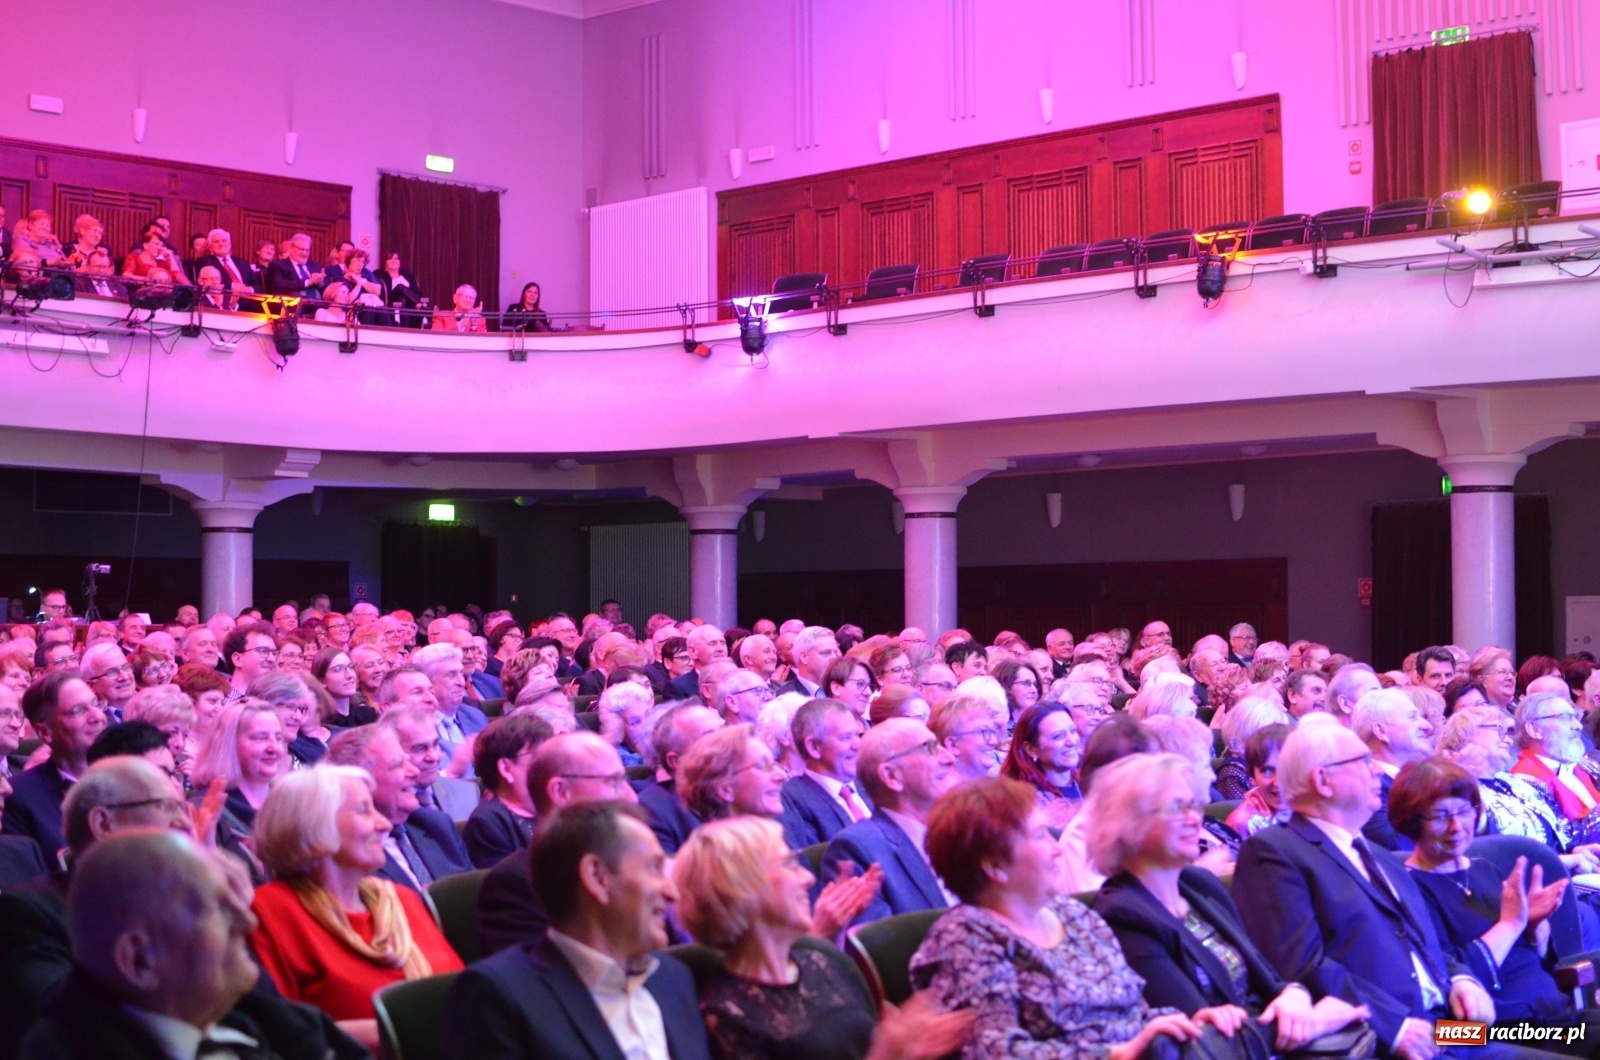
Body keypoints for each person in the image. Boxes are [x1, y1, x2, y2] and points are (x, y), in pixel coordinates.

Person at [1233, 717, 1534, 1060]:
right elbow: (1300, 966)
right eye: (1363, 763)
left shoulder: (1381, 857)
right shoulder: (1275, 852)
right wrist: (1394, 1028)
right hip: (1388, 1036)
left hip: (1447, 1027)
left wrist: (1461, 979)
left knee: (1565, 1037)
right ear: (1323, 780)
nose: (1377, 772)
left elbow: (1422, 943)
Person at [910, 776, 1224, 1060]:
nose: (1056, 850)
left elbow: (1135, 1009)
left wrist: (1185, 1023)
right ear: (995, 866)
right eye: (1038, 836)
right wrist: (1115, 1054)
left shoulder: (1073, 914)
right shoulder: (967, 936)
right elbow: (995, 1051)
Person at [1090, 753, 1370, 1051]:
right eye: (1176, 807)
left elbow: (1270, 977)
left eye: (1193, 804)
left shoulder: (1199, 884)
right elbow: (1200, 1041)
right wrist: (1311, 1021)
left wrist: (1295, 995)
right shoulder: (1122, 916)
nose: (1193, 818)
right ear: (1129, 823)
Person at [16, 829, 352, 1060]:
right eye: (216, 909)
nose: (248, 923)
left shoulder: (246, 1012)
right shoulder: (71, 1049)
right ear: (139, 960)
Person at [674, 815, 973, 1060]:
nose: (807, 878)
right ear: (742, 890)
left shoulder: (819, 961)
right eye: (789, 864)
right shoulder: (726, 1017)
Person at [443, 800, 713, 1060]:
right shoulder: (501, 997)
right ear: (597, 877)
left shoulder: (672, 978)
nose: (671, 892)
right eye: (653, 868)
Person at [251, 764, 464, 1048]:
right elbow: (283, 1035)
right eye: (365, 810)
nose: (385, 824)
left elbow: (462, 994)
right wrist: (406, 1031)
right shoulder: (269, 912)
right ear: (315, 824)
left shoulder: (400, 898)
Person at [1388, 758, 1599, 1037]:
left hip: (1556, 1015)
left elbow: (1534, 959)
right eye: (1440, 816)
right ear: (1410, 822)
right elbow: (1448, 981)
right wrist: (1510, 925)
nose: (1456, 826)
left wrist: (1534, 926)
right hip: (1493, 1031)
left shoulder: (1484, 869)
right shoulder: (1407, 889)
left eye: (1464, 812)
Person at [475, 731, 640, 956]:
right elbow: (538, 983)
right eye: (613, 782)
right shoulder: (516, 883)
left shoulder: (630, 856)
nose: (631, 797)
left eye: (625, 781)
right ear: (560, 792)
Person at [821, 717, 958, 925]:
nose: (949, 758)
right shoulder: (857, 849)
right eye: (929, 748)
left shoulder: (963, 831)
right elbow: (885, 952)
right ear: (891, 775)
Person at [325, 723, 471, 891]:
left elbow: (477, 898)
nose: (414, 771)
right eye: (397, 764)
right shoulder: (347, 855)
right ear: (360, 782)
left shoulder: (437, 825)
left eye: (407, 761)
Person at [4, 671, 106, 870]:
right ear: (44, 732)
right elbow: (30, 890)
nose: (97, 716)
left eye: (95, 704)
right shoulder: (20, 797)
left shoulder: (134, 777)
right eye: (78, 710)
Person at [192, 698, 287, 880]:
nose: (274, 747)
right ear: (228, 745)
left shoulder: (290, 803)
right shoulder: (205, 809)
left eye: (278, 737)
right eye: (260, 738)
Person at [463, 714, 552, 869]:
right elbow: (510, 887)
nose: (552, 762)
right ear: (506, 768)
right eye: (540, 756)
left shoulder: (557, 807)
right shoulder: (487, 823)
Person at [779, 698, 870, 848]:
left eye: (857, 735)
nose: (857, 744)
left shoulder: (871, 784)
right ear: (814, 747)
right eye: (846, 737)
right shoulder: (791, 800)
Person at [1000, 700, 1083, 829]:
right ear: (1031, 749)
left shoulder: (1090, 783)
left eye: (1073, 731)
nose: (1071, 741)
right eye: (1058, 736)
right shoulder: (1026, 803)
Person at [1225, 722, 1293, 837]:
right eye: (1267, 771)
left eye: (1287, 769)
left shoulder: (1318, 807)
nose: (1278, 782)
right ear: (1253, 777)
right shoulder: (1242, 825)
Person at [376, 251, 424, 327]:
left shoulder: (408, 274)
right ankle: (422, 307)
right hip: (390, 301)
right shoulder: (379, 274)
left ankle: (406, 329)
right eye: (390, 259)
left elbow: (416, 291)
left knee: (403, 299)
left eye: (396, 258)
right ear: (385, 262)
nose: (393, 261)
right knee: (400, 287)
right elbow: (380, 292)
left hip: (409, 304)